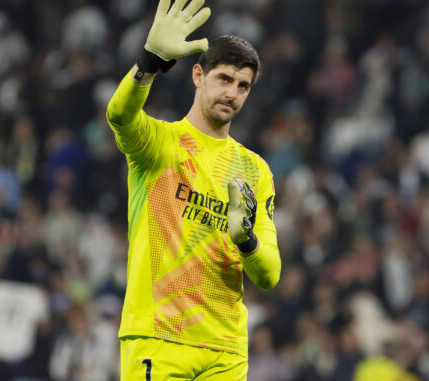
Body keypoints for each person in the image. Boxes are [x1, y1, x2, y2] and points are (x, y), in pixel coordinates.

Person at [106, 0, 281, 379]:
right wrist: (149, 62)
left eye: (243, 86)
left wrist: (246, 240)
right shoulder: (158, 143)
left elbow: (269, 275)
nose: (233, 93)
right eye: (224, 79)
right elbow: (119, 115)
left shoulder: (255, 170)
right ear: (198, 75)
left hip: (226, 348)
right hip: (158, 337)